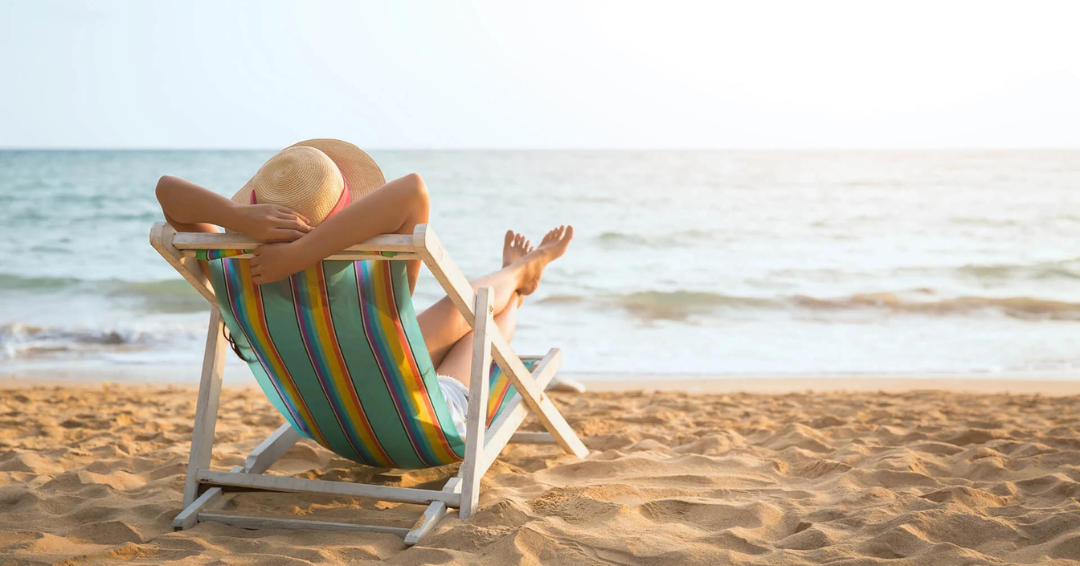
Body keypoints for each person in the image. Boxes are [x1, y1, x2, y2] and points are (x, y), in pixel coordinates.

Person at [155, 139, 574, 437]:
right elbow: (413, 190)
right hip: (415, 419)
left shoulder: (234, 274)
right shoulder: (361, 284)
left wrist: (238, 218)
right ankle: (519, 279)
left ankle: (519, 271)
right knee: (483, 315)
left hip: (327, 417)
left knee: (458, 310)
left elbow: (167, 191)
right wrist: (305, 253)